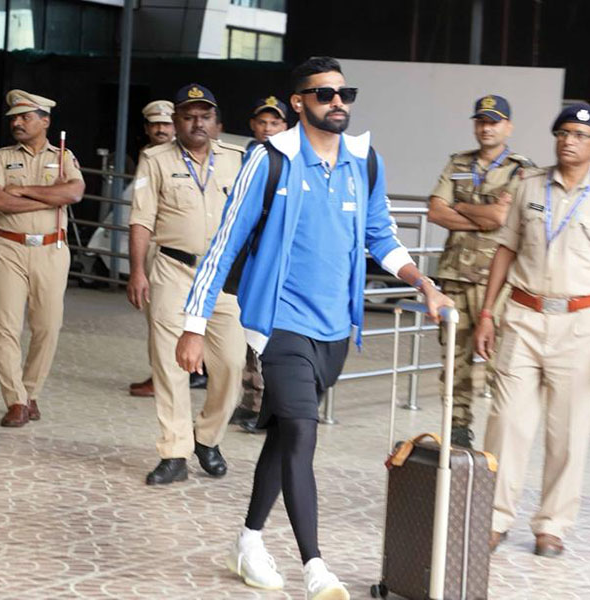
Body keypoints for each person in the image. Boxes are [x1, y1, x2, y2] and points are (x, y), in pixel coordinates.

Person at [175, 57, 453, 598]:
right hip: (280, 322)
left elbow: (381, 235)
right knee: (303, 430)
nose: (338, 102)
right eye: (324, 94)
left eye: (344, 93)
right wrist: (194, 323)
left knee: (284, 436)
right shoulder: (270, 161)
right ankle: (315, 567)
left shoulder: (363, 161)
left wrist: (423, 282)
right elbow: (225, 241)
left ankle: (248, 541)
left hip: (333, 329)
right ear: (299, 102)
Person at [474, 103, 590, 557]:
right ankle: (493, 517)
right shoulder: (527, 185)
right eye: (563, 133)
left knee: (568, 430)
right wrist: (487, 314)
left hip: (581, 324)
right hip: (523, 318)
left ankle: (553, 525)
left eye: (580, 136)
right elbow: (504, 251)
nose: (569, 141)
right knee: (506, 422)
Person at [127, 83, 246, 485]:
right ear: (175, 121)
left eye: (205, 116)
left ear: (216, 122)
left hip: (222, 277)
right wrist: (138, 271)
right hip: (172, 271)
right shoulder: (155, 159)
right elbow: (142, 218)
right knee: (169, 363)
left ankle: (207, 437)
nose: (197, 122)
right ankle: (174, 451)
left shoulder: (237, 159)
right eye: (189, 116)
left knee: (231, 363)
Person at [427, 94, 534, 448]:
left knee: (499, 359)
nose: (487, 127)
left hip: (497, 281)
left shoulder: (521, 170)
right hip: (455, 276)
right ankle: (458, 427)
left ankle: (503, 430)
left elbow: (502, 219)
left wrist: (458, 206)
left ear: (508, 126)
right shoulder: (457, 161)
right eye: (482, 121)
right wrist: (479, 213)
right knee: (454, 357)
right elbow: (435, 211)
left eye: (495, 121)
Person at [0, 90, 85, 428]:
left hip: (52, 251)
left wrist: (23, 190)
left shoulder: (64, 156)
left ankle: (30, 392)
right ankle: (15, 401)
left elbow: (74, 193)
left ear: (45, 121)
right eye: (14, 117)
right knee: (6, 327)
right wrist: (49, 198)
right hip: (8, 249)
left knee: (48, 327)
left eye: (25, 116)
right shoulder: (0, 157)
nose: (17, 122)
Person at [229, 95, 290, 434]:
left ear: (285, 126)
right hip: (243, 257)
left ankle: (269, 407)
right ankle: (250, 400)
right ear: (253, 125)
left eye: (275, 123)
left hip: (271, 258)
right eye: (263, 122)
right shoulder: (242, 158)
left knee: (270, 333)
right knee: (244, 329)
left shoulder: (290, 161)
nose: (268, 128)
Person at [128, 100, 176, 399]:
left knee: (165, 317)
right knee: (158, 316)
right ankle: (162, 373)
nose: (160, 129)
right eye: (155, 124)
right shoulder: (148, 156)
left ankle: (166, 377)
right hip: (154, 245)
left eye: (166, 123)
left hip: (175, 246)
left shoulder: (186, 155)